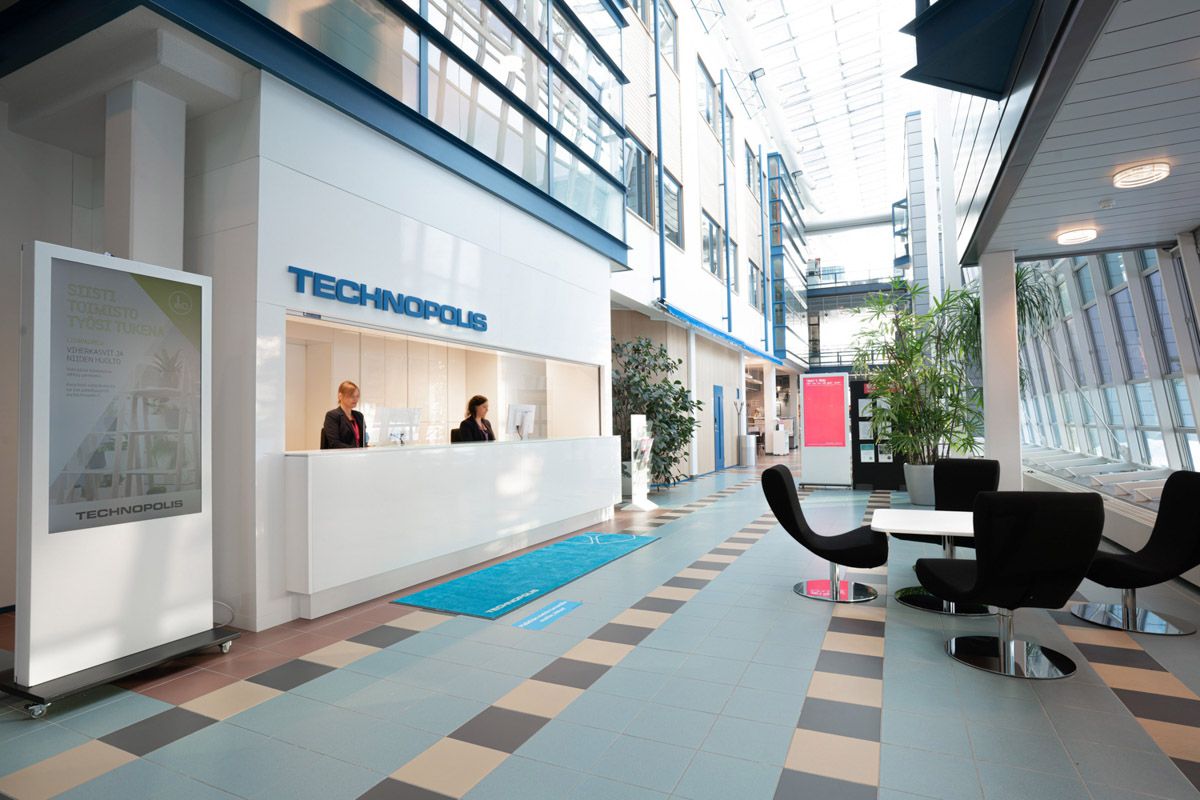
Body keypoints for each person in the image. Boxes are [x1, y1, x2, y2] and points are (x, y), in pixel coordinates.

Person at [321, 380, 366, 448]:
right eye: (351, 396)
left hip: (359, 453)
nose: (355, 399)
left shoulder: (359, 416)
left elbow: (363, 442)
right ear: (340, 396)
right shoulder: (332, 416)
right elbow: (335, 444)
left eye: (357, 396)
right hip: (342, 454)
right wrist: (355, 450)